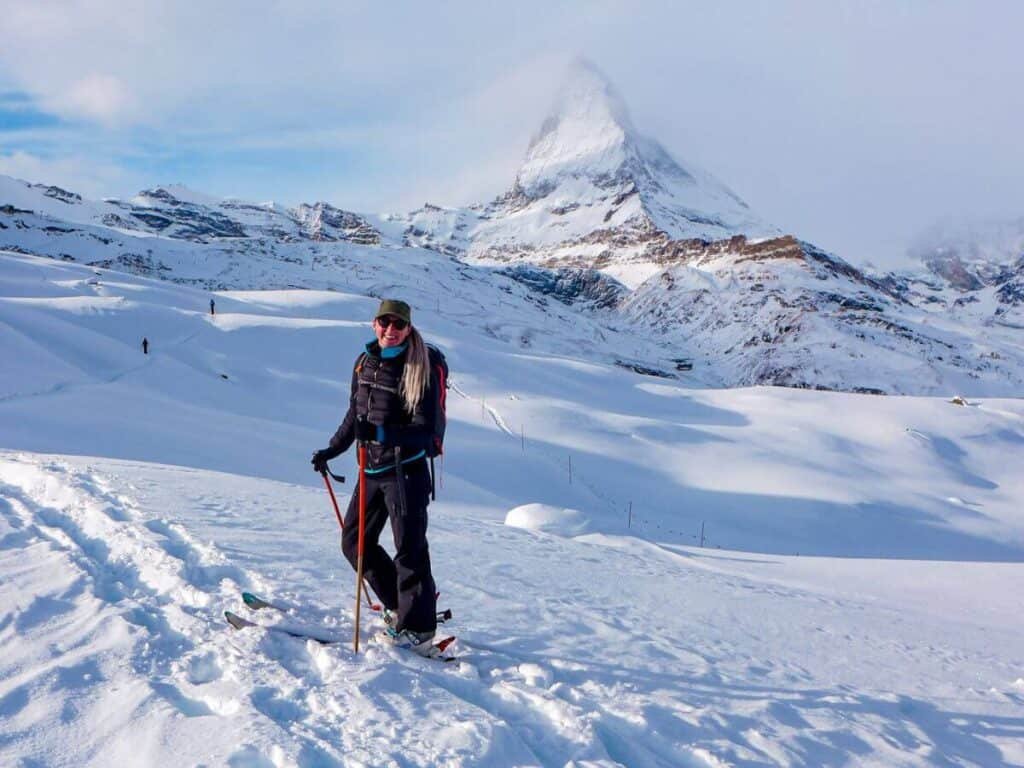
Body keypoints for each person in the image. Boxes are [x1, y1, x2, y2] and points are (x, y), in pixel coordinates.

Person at [312, 299, 441, 655]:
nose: (390, 329)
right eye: (385, 322)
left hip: (406, 474)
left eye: (398, 324)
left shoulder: (419, 368)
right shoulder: (364, 363)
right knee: (354, 543)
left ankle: (419, 630)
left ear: (408, 329)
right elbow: (355, 417)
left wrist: (382, 435)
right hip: (370, 470)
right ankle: (399, 605)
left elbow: (425, 431)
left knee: (410, 552)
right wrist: (330, 451)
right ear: (374, 324)